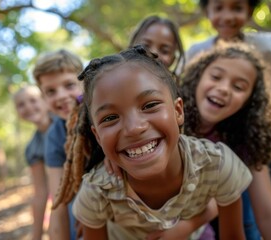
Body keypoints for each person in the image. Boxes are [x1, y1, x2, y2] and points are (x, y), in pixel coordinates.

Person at [62, 45, 252, 240]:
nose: (134, 128)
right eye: (110, 118)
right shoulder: (97, 191)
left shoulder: (218, 165)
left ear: (178, 111)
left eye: (150, 105)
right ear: (98, 137)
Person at [186, 1, 271, 239]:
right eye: (219, 8)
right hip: (231, 145)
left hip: (270, 142)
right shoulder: (198, 53)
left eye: (236, 8)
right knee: (246, 221)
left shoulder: (264, 44)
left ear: (249, 12)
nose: (227, 16)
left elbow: (269, 215)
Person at [181, 42, 271, 239]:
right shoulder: (166, 118)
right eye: (216, 77)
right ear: (198, 77)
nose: (224, 88)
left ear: (249, 102)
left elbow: (269, 215)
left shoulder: (242, 140)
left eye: (239, 87)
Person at [32, 49, 84, 240]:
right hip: (79, 220)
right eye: (50, 91)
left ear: (84, 82)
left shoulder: (104, 115)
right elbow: (58, 200)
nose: (61, 96)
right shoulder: (55, 135)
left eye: (69, 85)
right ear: (44, 98)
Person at [13, 85, 52, 240]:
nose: (28, 107)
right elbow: (41, 192)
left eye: (33, 100)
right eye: (21, 105)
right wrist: (36, 235)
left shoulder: (65, 123)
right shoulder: (32, 148)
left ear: (44, 101)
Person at [128, 15, 185, 81]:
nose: (153, 53)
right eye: (145, 46)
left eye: (164, 51)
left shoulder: (174, 90)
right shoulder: (115, 81)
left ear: (173, 59)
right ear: (131, 47)